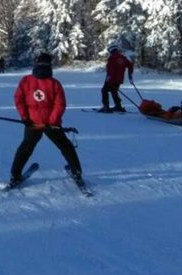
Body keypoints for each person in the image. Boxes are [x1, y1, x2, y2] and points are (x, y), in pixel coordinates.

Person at [10, 53, 84, 186]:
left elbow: (19, 100)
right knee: (66, 147)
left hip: (32, 123)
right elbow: (60, 105)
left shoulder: (26, 81)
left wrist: (25, 117)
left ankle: (15, 176)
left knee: (25, 148)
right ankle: (77, 173)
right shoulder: (55, 84)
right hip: (51, 124)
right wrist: (51, 121)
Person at [100, 45, 134, 112]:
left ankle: (106, 107)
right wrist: (130, 76)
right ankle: (118, 106)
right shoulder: (123, 58)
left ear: (111, 51)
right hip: (119, 79)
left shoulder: (111, 58)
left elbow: (110, 69)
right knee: (114, 91)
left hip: (111, 78)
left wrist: (108, 78)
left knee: (104, 90)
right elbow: (130, 65)